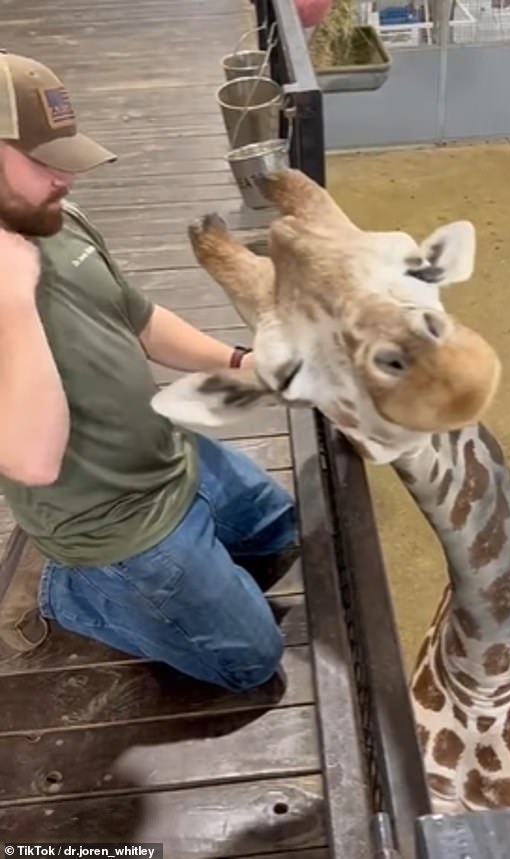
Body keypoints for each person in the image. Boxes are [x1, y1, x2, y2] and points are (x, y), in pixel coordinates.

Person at [0, 51, 296, 692]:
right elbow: (32, 460)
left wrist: (242, 361)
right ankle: (60, 589)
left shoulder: (55, 219)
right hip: (110, 524)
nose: (65, 179)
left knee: (281, 530)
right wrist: (15, 300)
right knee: (249, 662)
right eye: (41, 160)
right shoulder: (8, 286)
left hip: (169, 452)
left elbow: (138, 319)